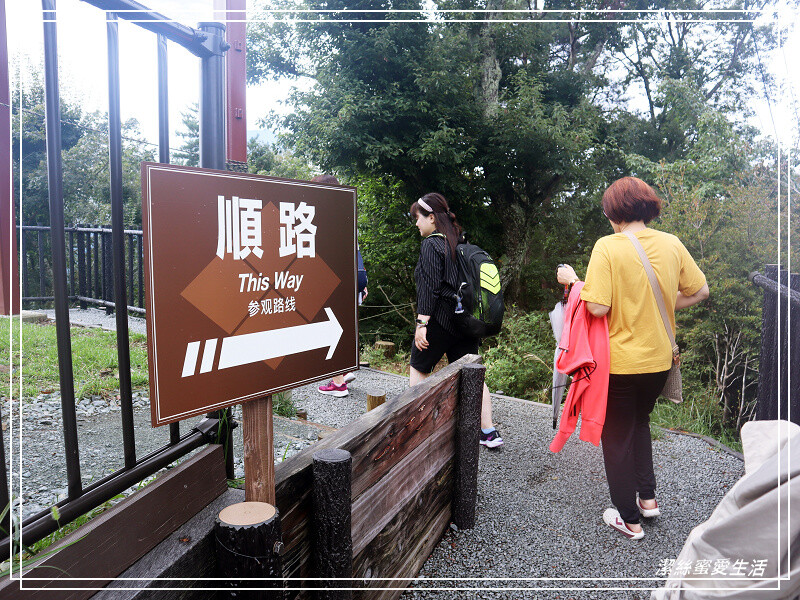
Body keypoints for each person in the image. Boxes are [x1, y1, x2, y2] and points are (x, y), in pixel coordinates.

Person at [557, 176, 709, 540]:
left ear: (615, 213)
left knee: (617, 435)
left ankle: (629, 519)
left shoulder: (608, 246)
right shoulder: (672, 243)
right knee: (639, 423)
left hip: (621, 365)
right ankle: (648, 501)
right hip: (659, 361)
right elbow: (700, 291)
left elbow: (596, 305)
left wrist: (574, 281)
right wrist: (656, 305)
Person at [409, 193, 503, 448]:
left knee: (418, 369)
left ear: (431, 217)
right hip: (465, 323)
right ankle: (489, 432)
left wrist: (421, 324)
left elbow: (429, 288)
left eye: (417, 218)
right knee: (473, 375)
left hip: (439, 322)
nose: (416, 224)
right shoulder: (459, 243)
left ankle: (414, 431)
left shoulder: (431, 244)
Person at [313, 174, 368, 398]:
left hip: (337, 278)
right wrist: (364, 281)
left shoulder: (322, 216)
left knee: (329, 326)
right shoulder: (347, 215)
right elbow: (356, 252)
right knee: (344, 325)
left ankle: (337, 384)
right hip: (355, 276)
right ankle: (344, 372)